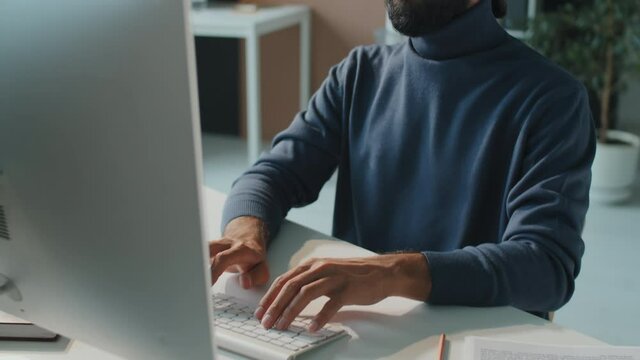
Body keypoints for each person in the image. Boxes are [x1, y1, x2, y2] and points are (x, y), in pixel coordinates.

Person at [208, 0, 596, 333]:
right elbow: (273, 174)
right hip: (362, 331)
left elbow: (545, 266)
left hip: (470, 336)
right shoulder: (360, 72)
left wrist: (390, 273)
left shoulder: (553, 100)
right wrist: (245, 231)